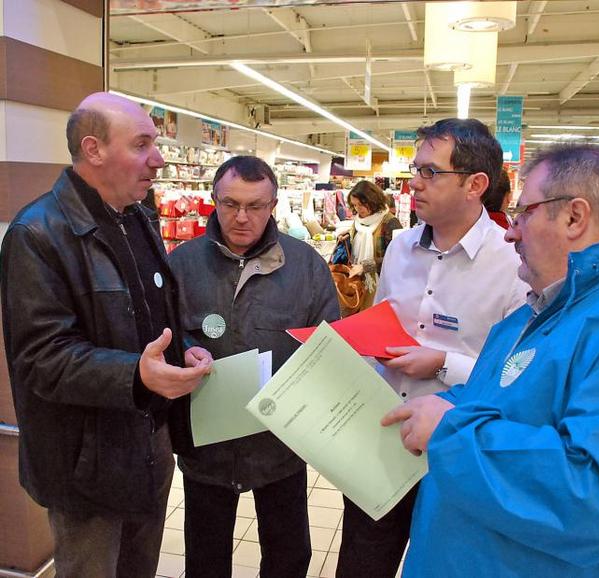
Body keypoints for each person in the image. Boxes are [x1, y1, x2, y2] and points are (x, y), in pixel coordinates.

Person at [382, 144, 599, 578]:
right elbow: (505, 404)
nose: (510, 233)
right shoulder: (535, 314)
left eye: (523, 213)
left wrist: (450, 432)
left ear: (575, 217)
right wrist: (440, 409)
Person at [0, 92, 213, 578]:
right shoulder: (38, 234)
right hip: (86, 462)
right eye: (142, 145)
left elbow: (148, 316)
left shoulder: (138, 217)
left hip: (150, 444)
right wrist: (136, 374)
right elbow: (40, 359)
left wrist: (182, 348)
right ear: (93, 150)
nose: (158, 159)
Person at [336, 118, 528, 578]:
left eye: (429, 173)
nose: (413, 185)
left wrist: (444, 363)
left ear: (475, 185)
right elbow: (380, 326)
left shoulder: (512, 264)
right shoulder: (400, 247)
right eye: (415, 171)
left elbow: (517, 373)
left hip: (455, 450)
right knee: (362, 562)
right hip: (381, 440)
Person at [167, 155, 340, 578]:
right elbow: (162, 334)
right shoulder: (182, 264)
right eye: (230, 204)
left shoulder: (305, 266)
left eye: (255, 206)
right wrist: (186, 350)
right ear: (214, 201)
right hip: (207, 447)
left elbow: (330, 345)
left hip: (280, 443)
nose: (242, 217)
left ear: (273, 205)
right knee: (205, 560)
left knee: (288, 556)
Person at [340, 180, 402, 311]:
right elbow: (354, 249)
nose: (358, 209)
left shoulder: (390, 223)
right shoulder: (358, 222)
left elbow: (397, 259)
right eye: (355, 205)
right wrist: (346, 239)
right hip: (356, 283)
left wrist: (365, 266)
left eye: (361, 205)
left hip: (380, 286)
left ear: (373, 201)